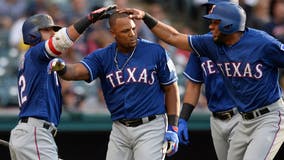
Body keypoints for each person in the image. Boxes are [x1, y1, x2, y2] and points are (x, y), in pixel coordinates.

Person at [121, 2, 284, 160]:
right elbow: (174, 37)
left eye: (215, 22)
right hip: (245, 121)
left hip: (269, 117)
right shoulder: (211, 43)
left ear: (229, 25)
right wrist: (146, 17)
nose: (210, 26)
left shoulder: (262, 43)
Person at [49, 12, 180, 160]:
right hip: (120, 129)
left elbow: (171, 88)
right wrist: (61, 68)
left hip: (151, 126)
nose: (131, 34)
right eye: (125, 31)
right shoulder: (103, 56)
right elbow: (76, 71)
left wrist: (173, 128)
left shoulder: (155, 51)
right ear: (113, 33)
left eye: (132, 29)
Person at [9, 5, 116, 160]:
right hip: (35, 132)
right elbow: (62, 41)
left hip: (31, 134)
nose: (53, 33)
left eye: (54, 30)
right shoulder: (36, 53)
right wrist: (89, 19)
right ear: (32, 34)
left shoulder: (33, 59)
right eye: (47, 30)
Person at [178, 1, 241, 160]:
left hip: (243, 116)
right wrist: (183, 119)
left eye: (214, 8)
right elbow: (193, 85)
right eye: (209, 9)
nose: (210, 12)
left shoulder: (250, 40)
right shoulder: (202, 44)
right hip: (216, 118)